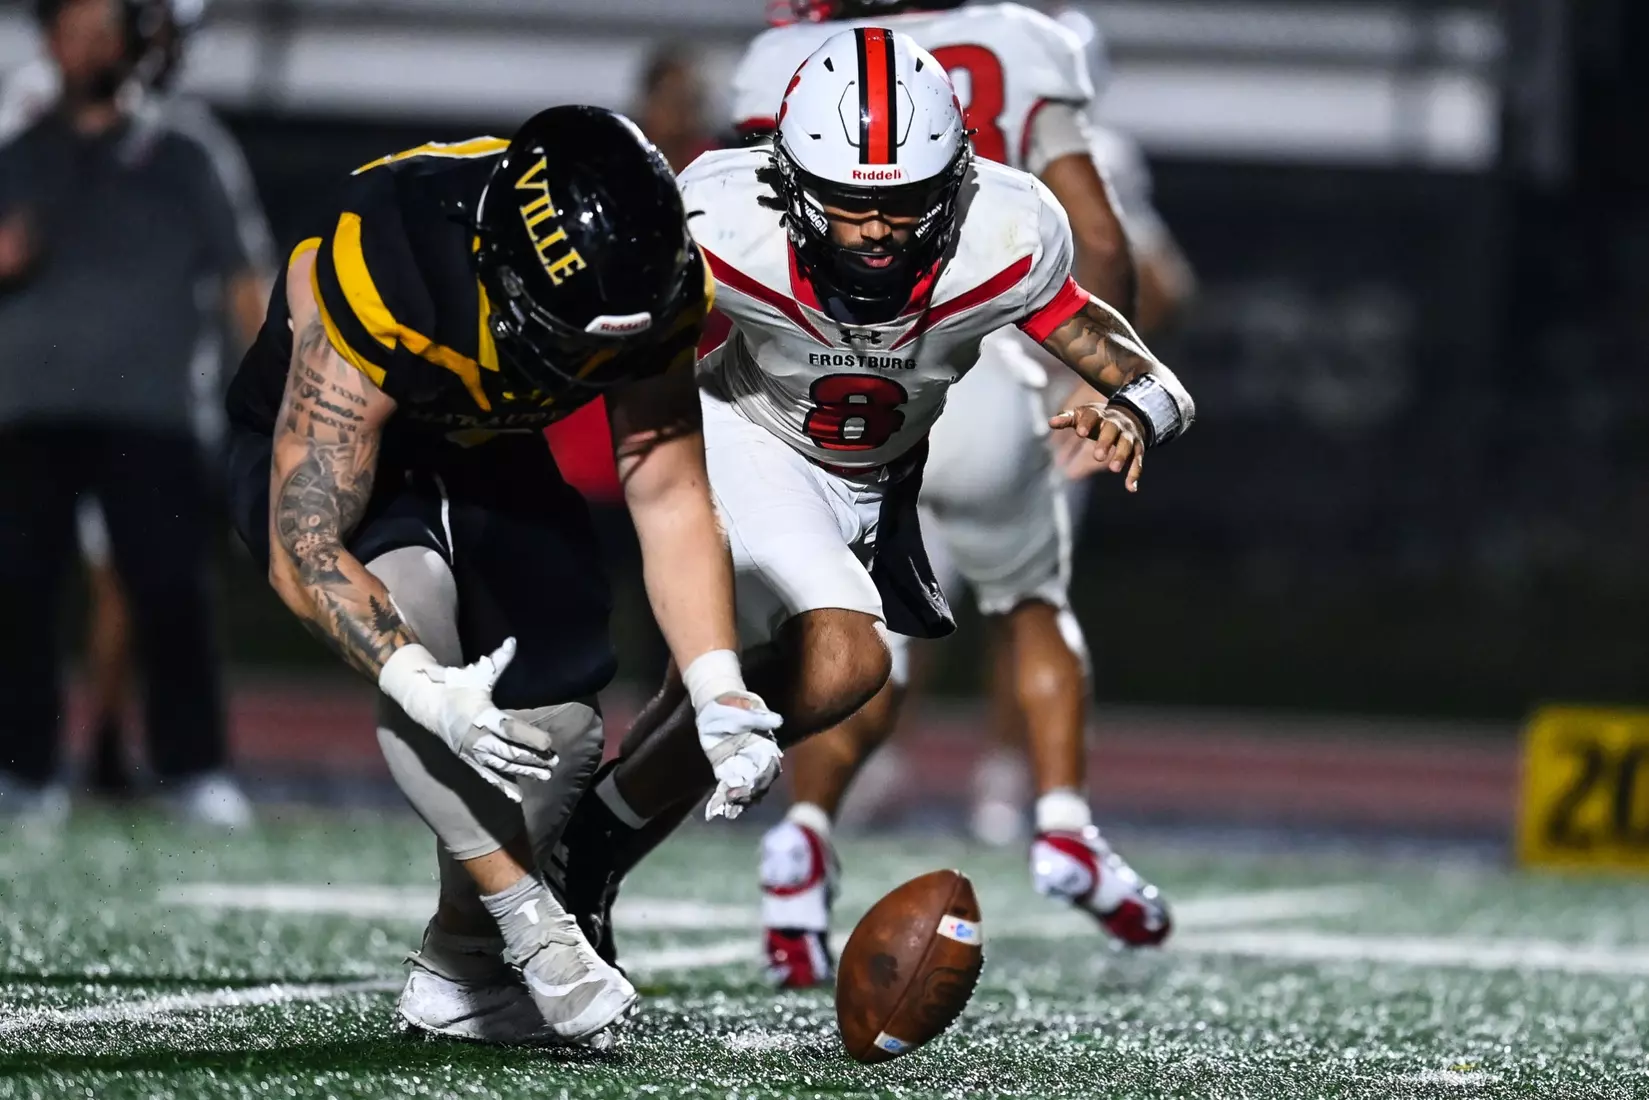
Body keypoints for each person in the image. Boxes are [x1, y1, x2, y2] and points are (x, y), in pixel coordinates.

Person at [552, 28, 1194, 985]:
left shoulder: (1002, 232)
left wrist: (1142, 405)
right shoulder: (726, 223)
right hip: (754, 434)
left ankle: (595, 836)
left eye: (904, 202)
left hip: (881, 476)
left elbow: (1122, 353)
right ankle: (597, 841)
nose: (879, 228)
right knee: (845, 660)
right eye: (851, 201)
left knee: (798, 683)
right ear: (790, 181)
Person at [221, 106, 783, 1046]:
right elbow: (304, 546)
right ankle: (532, 933)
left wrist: (720, 692)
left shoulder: (656, 278)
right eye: (574, 341)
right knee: (420, 626)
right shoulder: (391, 259)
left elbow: (670, 492)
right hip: (354, 454)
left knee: (556, 727)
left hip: (490, 450)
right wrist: (419, 686)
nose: (594, 370)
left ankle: (459, 968)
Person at [725, 0, 1174, 986]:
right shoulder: (1021, 40)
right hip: (981, 369)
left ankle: (801, 839)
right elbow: (1098, 238)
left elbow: (757, 238)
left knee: (858, 638)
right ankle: (1059, 821)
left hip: (841, 385)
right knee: (1028, 601)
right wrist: (1082, 387)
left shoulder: (784, 60)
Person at [0, 0, 271, 817]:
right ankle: (24, 770)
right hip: (29, 411)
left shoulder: (188, 151)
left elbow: (242, 280)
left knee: (167, 590)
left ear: (129, 44)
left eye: (101, 32)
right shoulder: (18, 153)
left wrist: (269, 394)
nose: (86, 48)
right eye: (71, 32)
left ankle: (194, 770)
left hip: (153, 412)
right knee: (20, 592)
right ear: (50, 43)